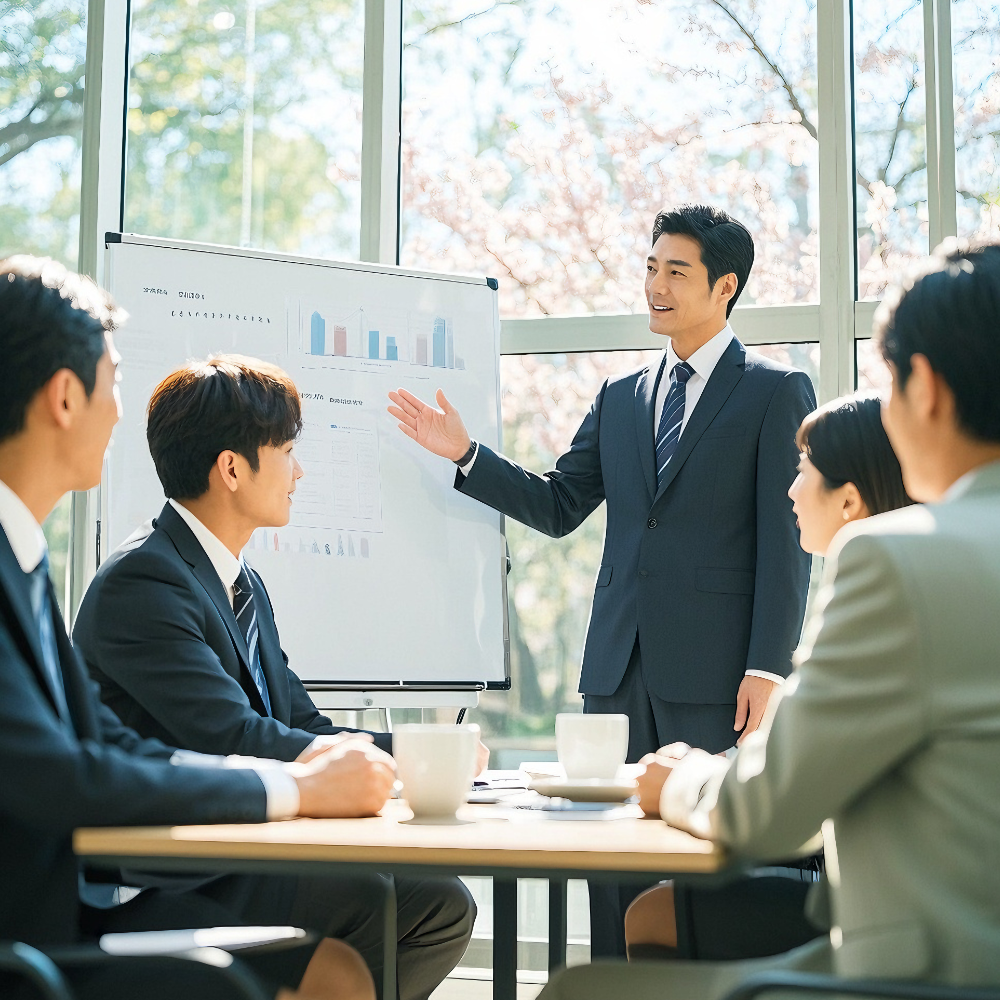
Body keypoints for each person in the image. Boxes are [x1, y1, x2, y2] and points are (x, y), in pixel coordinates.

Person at [538, 238, 1000, 997]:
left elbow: (763, 815)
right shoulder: (627, 394)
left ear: (927, 387)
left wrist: (683, 777)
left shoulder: (898, 560)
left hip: (924, 974)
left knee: (580, 989)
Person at [387, 203, 816, 955]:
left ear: (725, 287)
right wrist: (466, 455)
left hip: (720, 676)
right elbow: (558, 505)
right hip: (616, 671)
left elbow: (788, 542)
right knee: (609, 866)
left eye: (675, 271)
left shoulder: (774, 391)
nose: (655, 284)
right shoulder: (621, 395)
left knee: (704, 861)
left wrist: (767, 666)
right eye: (650, 267)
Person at [0, 255, 396, 1000]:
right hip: (43, 938)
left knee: (355, 942)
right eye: (111, 382)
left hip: (58, 920)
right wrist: (295, 792)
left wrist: (303, 783)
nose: (121, 412)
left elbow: (105, 747)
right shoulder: (107, 576)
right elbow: (61, 779)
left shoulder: (21, 560)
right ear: (62, 397)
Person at [73, 355, 478, 1000]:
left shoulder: (241, 582)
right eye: (287, 451)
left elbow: (299, 722)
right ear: (232, 469)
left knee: (439, 903)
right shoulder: (143, 582)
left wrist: (422, 758)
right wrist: (397, 765)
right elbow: (232, 735)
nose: (300, 471)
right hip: (163, 875)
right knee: (366, 893)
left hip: (233, 852)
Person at [624, 393, 913, 962]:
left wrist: (684, 780)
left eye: (802, 470)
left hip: (882, 926)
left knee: (649, 917)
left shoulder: (874, 582)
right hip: (884, 890)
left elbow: (779, 802)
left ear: (849, 500)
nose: (789, 490)